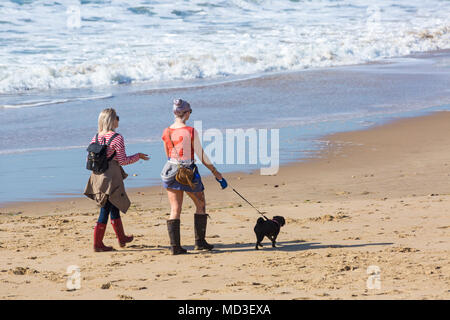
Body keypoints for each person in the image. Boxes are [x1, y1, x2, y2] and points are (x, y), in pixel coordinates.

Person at [161, 99, 223, 255]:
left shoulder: (166, 131)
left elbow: (167, 154)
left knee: (175, 208)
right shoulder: (190, 131)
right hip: (187, 172)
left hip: (170, 170)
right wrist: (215, 171)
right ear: (186, 113)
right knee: (200, 203)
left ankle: (175, 246)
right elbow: (201, 154)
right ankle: (200, 242)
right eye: (190, 112)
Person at [84, 108, 149, 252]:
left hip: (97, 176)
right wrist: (138, 156)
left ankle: (122, 238)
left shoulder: (95, 137)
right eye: (117, 117)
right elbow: (123, 160)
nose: (118, 120)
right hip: (111, 176)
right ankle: (98, 244)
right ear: (112, 120)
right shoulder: (117, 138)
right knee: (105, 209)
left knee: (114, 205)